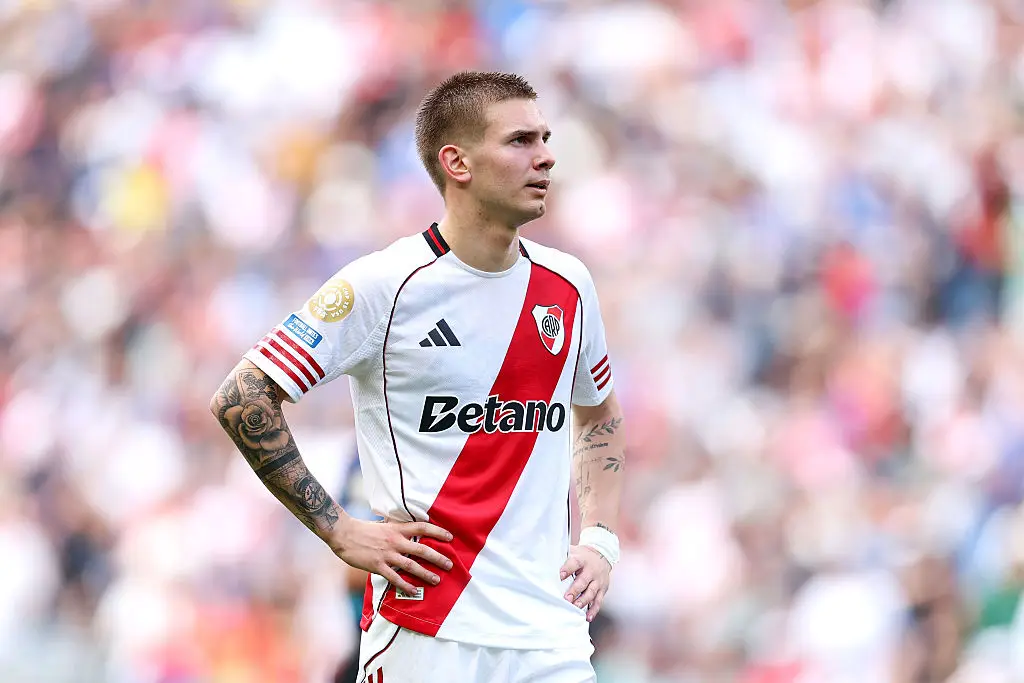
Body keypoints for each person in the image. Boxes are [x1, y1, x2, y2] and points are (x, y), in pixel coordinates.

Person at [210, 71, 626, 683]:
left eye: (544, 137)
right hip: (428, 630)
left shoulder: (569, 285)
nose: (546, 156)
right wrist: (339, 531)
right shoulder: (384, 285)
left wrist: (600, 538)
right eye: (519, 141)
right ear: (456, 162)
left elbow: (598, 413)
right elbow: (243, 396)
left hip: (550, 634)